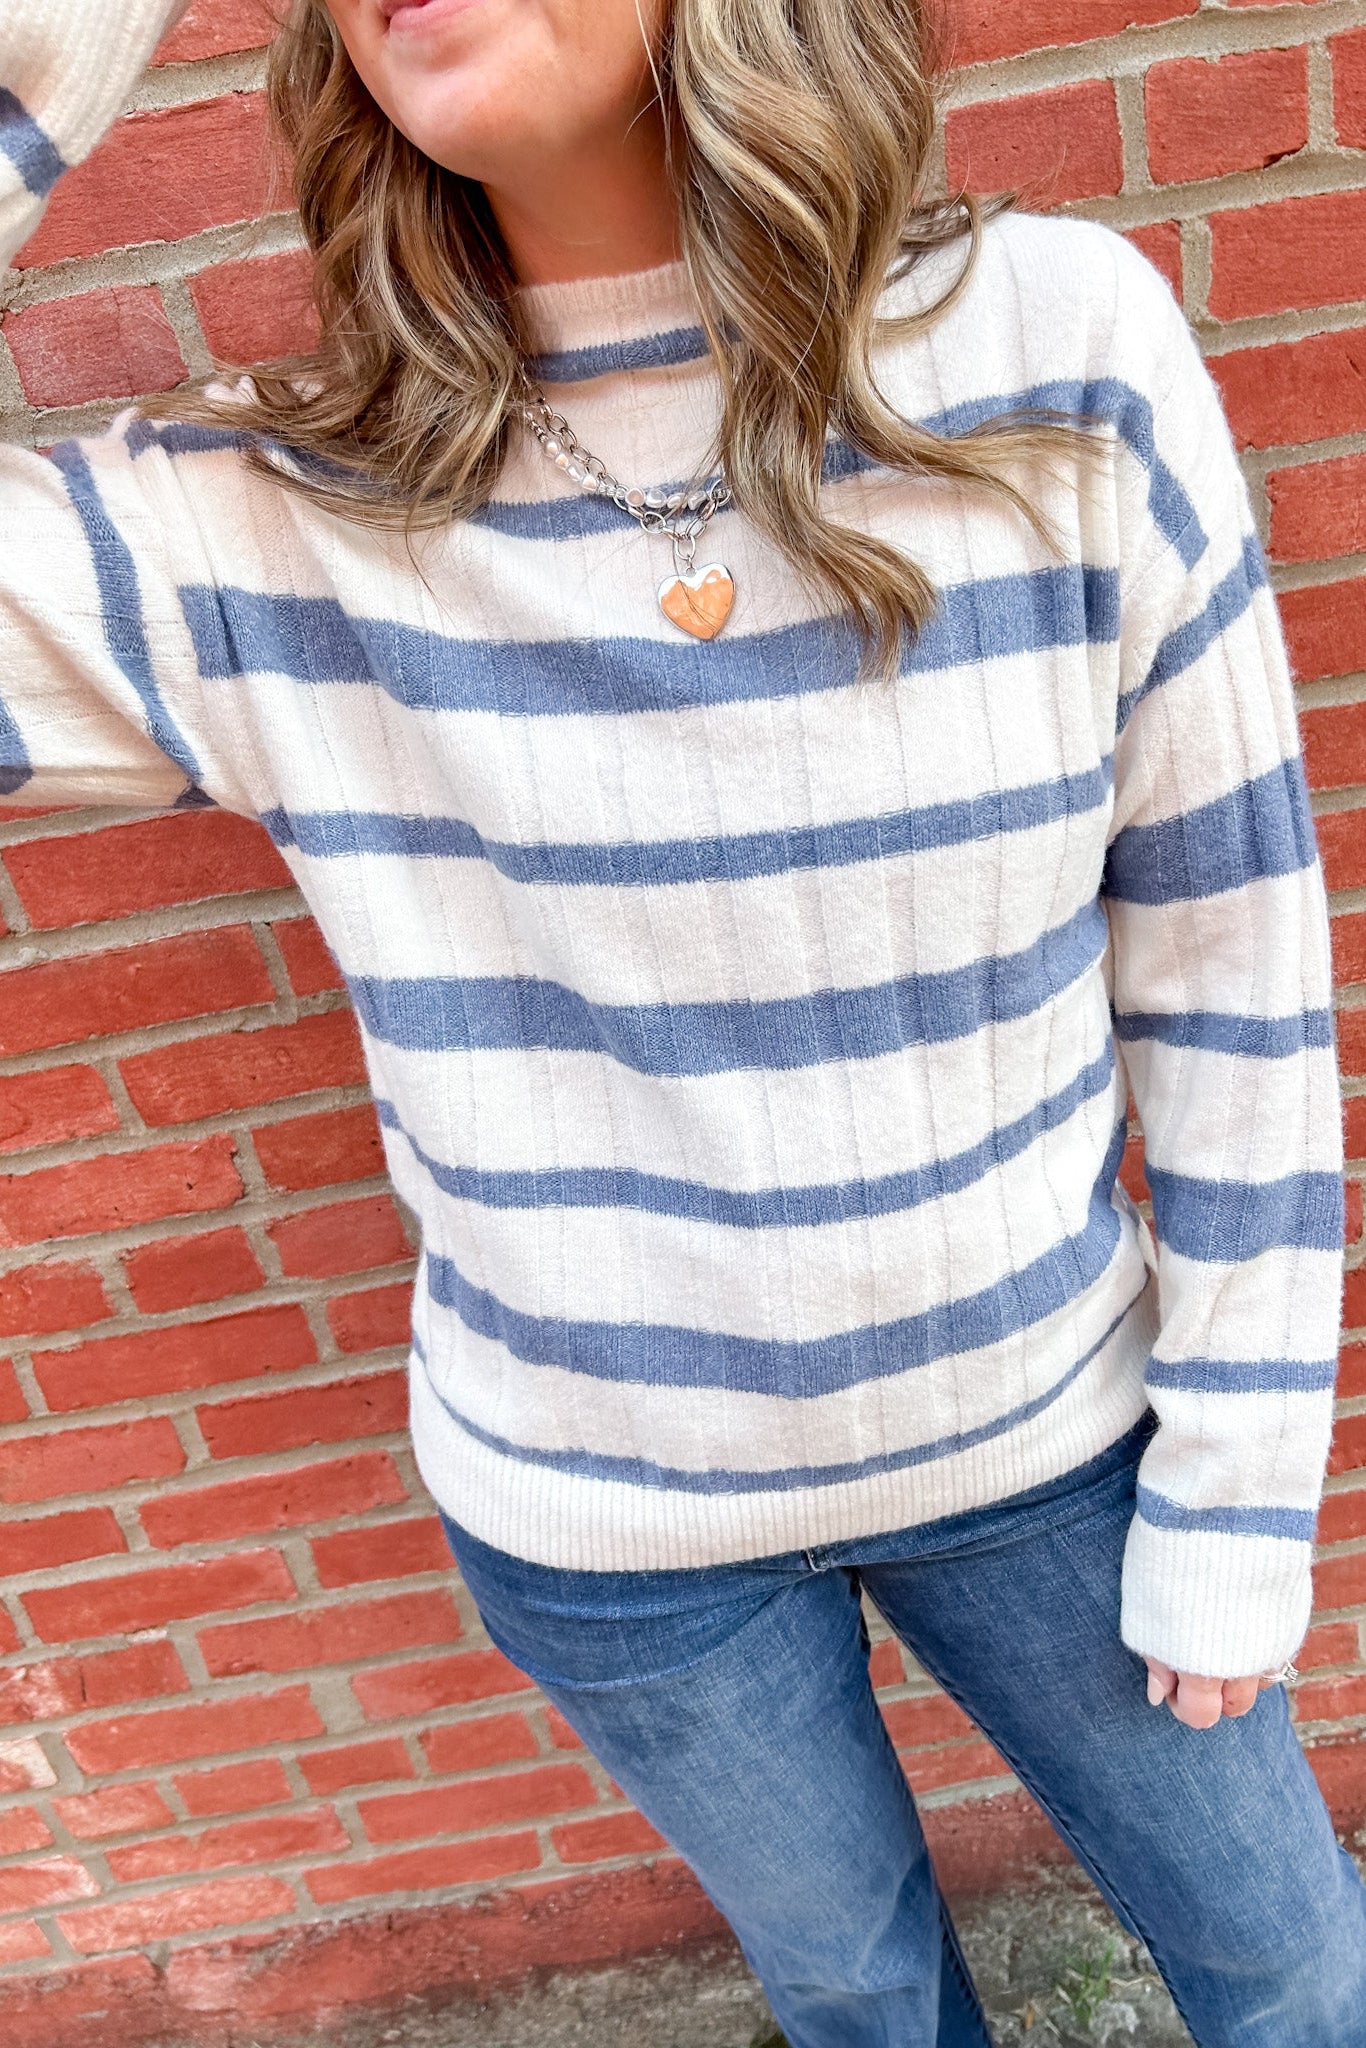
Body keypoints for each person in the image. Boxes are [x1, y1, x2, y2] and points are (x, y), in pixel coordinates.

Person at [1, 0, 1363, 2040]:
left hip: (1056, 1440)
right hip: (613, 1535)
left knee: (1282, 1962)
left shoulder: (1053, 346)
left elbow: (1232, 965)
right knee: (851, 1995)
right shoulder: (263, 511)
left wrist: (1241, 1493)